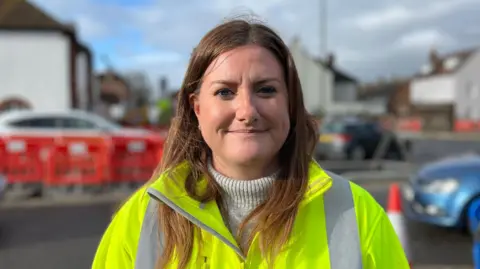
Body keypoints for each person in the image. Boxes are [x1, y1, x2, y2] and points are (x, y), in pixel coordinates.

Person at [92, 18, 410, 269]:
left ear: (290, 104)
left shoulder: (357, 213)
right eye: (225, 92)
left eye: (266, 90)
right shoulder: (140, 219)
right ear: (197, 108)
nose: (247, 111)